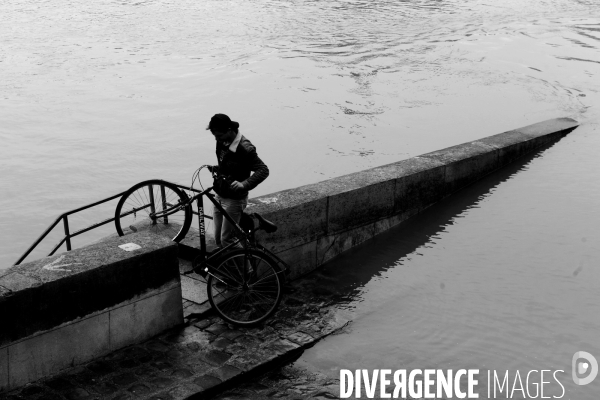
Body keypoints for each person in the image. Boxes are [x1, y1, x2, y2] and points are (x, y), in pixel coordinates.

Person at [206, 113, 269, 248]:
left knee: (227, 239)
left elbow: (263, 170)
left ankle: (247, 269)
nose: (217, 138)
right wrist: (217, 169)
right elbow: (229, 163)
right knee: (218, 239)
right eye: (215, 135)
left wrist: (244, 184)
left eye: (219, 135)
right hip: (220, 194)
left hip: (234, 200)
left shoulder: (244, 148)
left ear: (229, 130)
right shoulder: (221, 141)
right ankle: (229, 267)